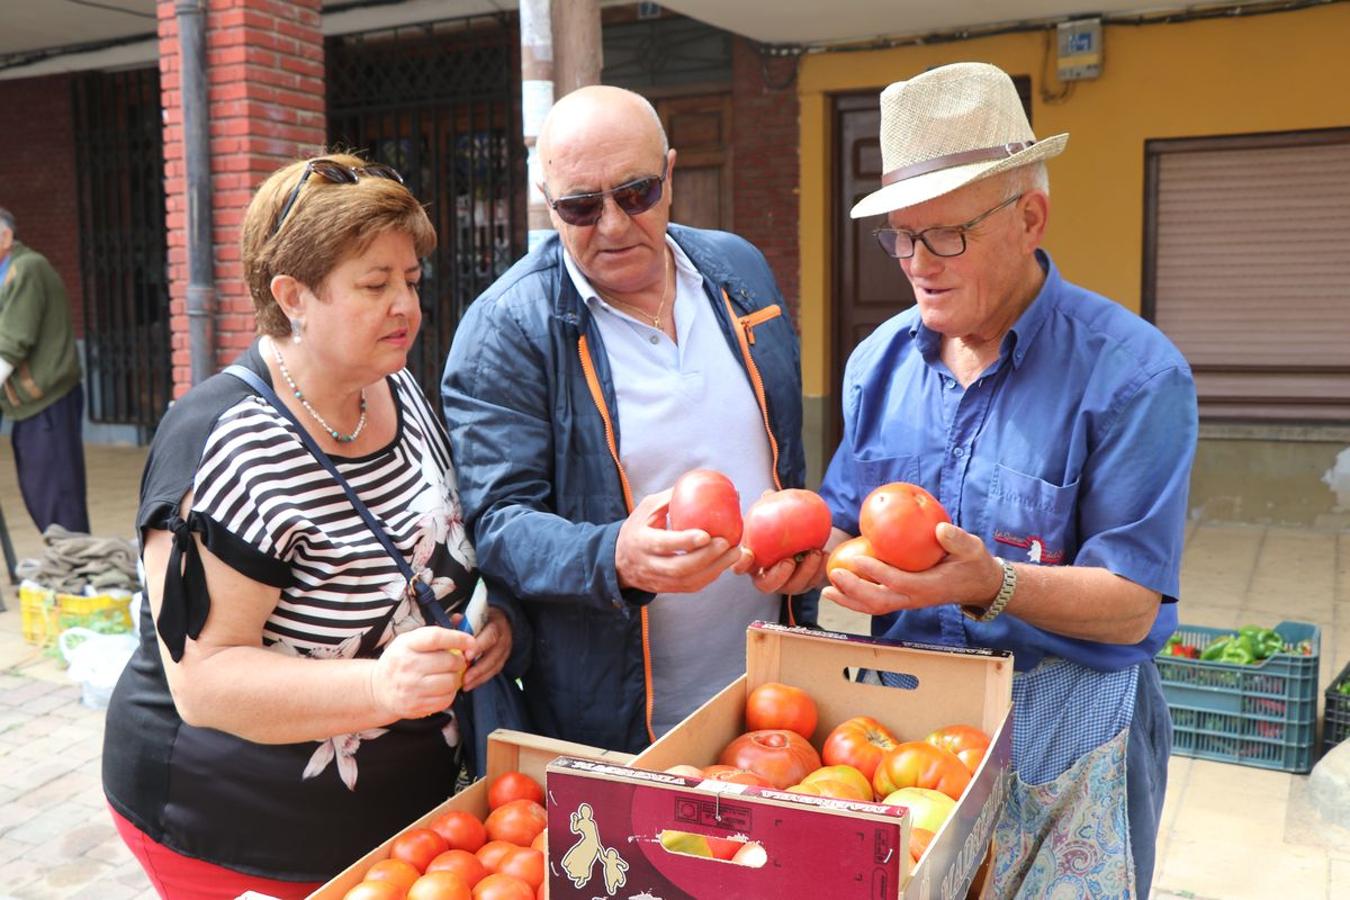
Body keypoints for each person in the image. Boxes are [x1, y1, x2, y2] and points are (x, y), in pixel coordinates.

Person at [817, 63, 1197, 897]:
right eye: (900, 238)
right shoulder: (876, 364)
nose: (917, 263)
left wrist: (994, 583)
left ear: (1030, 217)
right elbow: (846, 526)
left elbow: (1133, 599)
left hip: (1067, 727)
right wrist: (822, 556)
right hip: (906, 731)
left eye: (943, 235)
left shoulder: (1133, 376)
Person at [102, 154, 514, 898]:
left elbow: (430, 552)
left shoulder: (394, 383)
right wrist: (383, 685)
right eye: (374, 284)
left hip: (392, 821)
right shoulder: (224, 445)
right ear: (292, 296)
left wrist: (481, 622)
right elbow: (206, 682)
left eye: (411, 281)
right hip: (238, 834)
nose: (406, 307)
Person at [442, 85, 820, 754]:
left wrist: (802, 550)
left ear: (670, 175)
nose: (613, 225)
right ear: (546, 201)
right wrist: (614, 555)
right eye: (581, 207)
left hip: (773, 701)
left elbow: (781, 456)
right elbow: (496, 523)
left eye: (636, 193)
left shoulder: (739, 270)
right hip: (618, 722)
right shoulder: (508, 329)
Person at [0, 207, 90, 535]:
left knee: (57, 497)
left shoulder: (26, 269)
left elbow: (12, 343)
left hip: (48, 401)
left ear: (6, 237)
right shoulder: (8, 271)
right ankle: (66, 568)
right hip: (29, 406)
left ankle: (77, 573)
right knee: (40, 492)